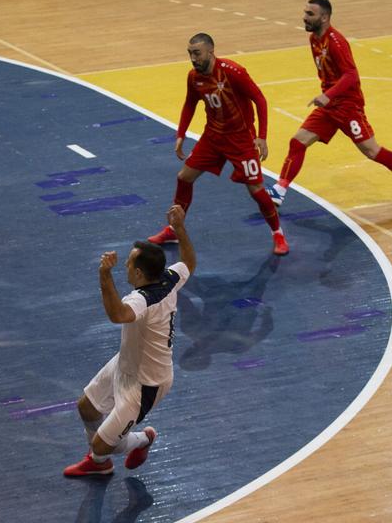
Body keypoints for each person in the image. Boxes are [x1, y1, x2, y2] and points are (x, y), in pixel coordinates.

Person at [64, 205, 195, 477]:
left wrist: (104, 275)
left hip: (147, 383)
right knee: (86, 407)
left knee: (103, 444)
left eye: (129, 263)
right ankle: (99, 462)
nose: (125, 265)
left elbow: (117, 315)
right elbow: (189, 263)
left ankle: (142, 440)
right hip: (126, 362)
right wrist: (180, 230)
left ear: (139, 274)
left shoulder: (141, 299)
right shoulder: (170, 278)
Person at [266, 0, 392, 211]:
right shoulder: (314, 39)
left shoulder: (336, 42)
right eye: (305, 12)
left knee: (372, 151)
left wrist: (329, 94)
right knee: (298, 141)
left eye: (310, 14)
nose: (304, 17)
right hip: (330, 106)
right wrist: (327, 96)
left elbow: (351, 74)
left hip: (348, 106)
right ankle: (280, 189)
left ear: (324, 17)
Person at [148, 32, 289, 256]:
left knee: (256, 190)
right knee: (184, 177)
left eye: (197, 53)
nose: (193, 58)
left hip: (241, 139)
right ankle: (174, 230)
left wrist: (261, 136)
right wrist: (181, 134)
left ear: (211, 52)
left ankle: (278, 234)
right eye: (190, 54)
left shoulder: (234, 72)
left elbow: (259, 99)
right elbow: (189, 104)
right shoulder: (194, 77)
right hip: (213, 137)